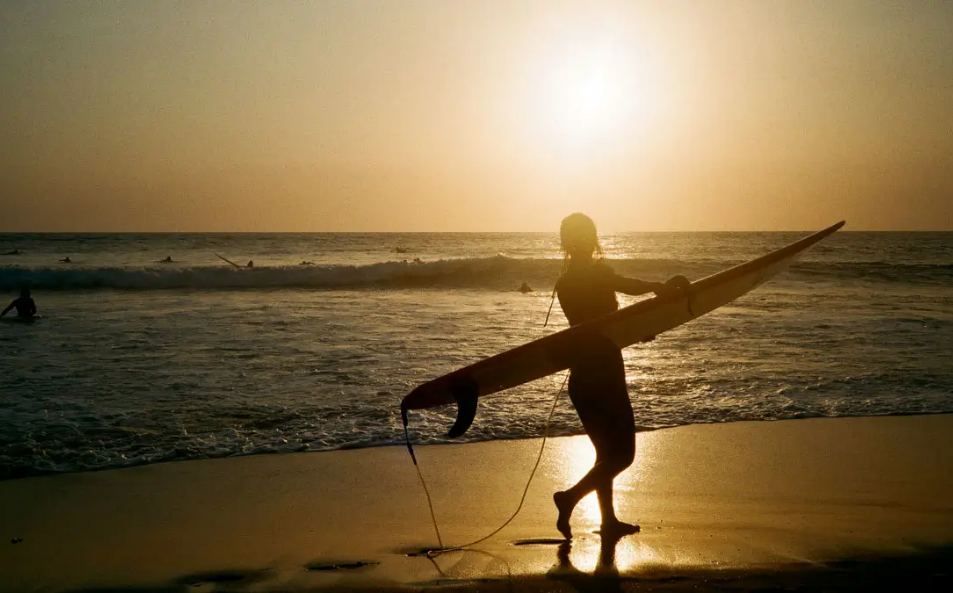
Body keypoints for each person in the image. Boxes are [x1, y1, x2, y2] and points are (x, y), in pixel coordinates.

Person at [552, 213, 688, 540]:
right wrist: (659, 288)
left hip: (582, 378)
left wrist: (635, 332)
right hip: (604, 373)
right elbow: (626, 287)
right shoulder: (596, 275)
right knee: (623, 454)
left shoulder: (565, 282)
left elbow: (593, 327)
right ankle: (569, 498)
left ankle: (608, 521)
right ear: (589, 239)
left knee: (605, 454)